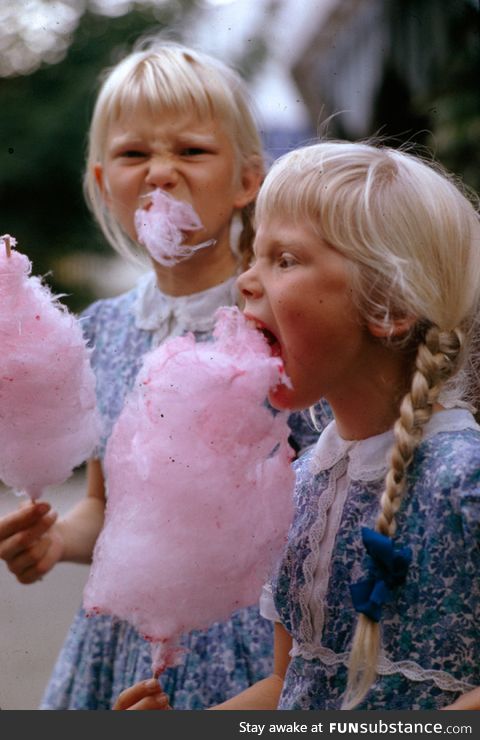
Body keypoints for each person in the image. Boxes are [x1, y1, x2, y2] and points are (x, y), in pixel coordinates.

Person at [0, 41, 326, 710]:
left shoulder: (282, 324)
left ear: (247, 180)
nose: (161, 172)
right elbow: (107, 506)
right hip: (117, 649)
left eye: (192, 151)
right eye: (133, 154)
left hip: (251, 656)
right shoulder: (103, 328)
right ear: (101, 181)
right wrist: (58, 539)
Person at [114, 140, 480, 711]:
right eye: (254, 256)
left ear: (387, 307)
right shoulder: (303, 480)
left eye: (284, 260)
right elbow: (290, 685)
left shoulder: (464, 479)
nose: (246, 282)